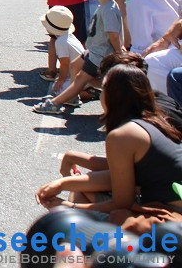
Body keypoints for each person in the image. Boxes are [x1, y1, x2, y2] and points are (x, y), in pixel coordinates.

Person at [35, 63, 182, 218]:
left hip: (171, 215)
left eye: (103, 89)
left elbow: (122, 203)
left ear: (113, 95)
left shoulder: (122, 135)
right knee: (83, 190)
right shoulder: (153, 119)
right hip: (170, 202)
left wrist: (67, 206)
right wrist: (63, 183)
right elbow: (121, 171)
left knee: (78, 204)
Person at [35, 0, 123, 114]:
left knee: (80, 79)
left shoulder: (109, 9)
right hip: (93, 51)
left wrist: (119, 52)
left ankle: (55, 103)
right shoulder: (105, 6)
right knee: (75, 65)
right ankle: (80, 92)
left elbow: (113, 34)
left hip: (99, 55)